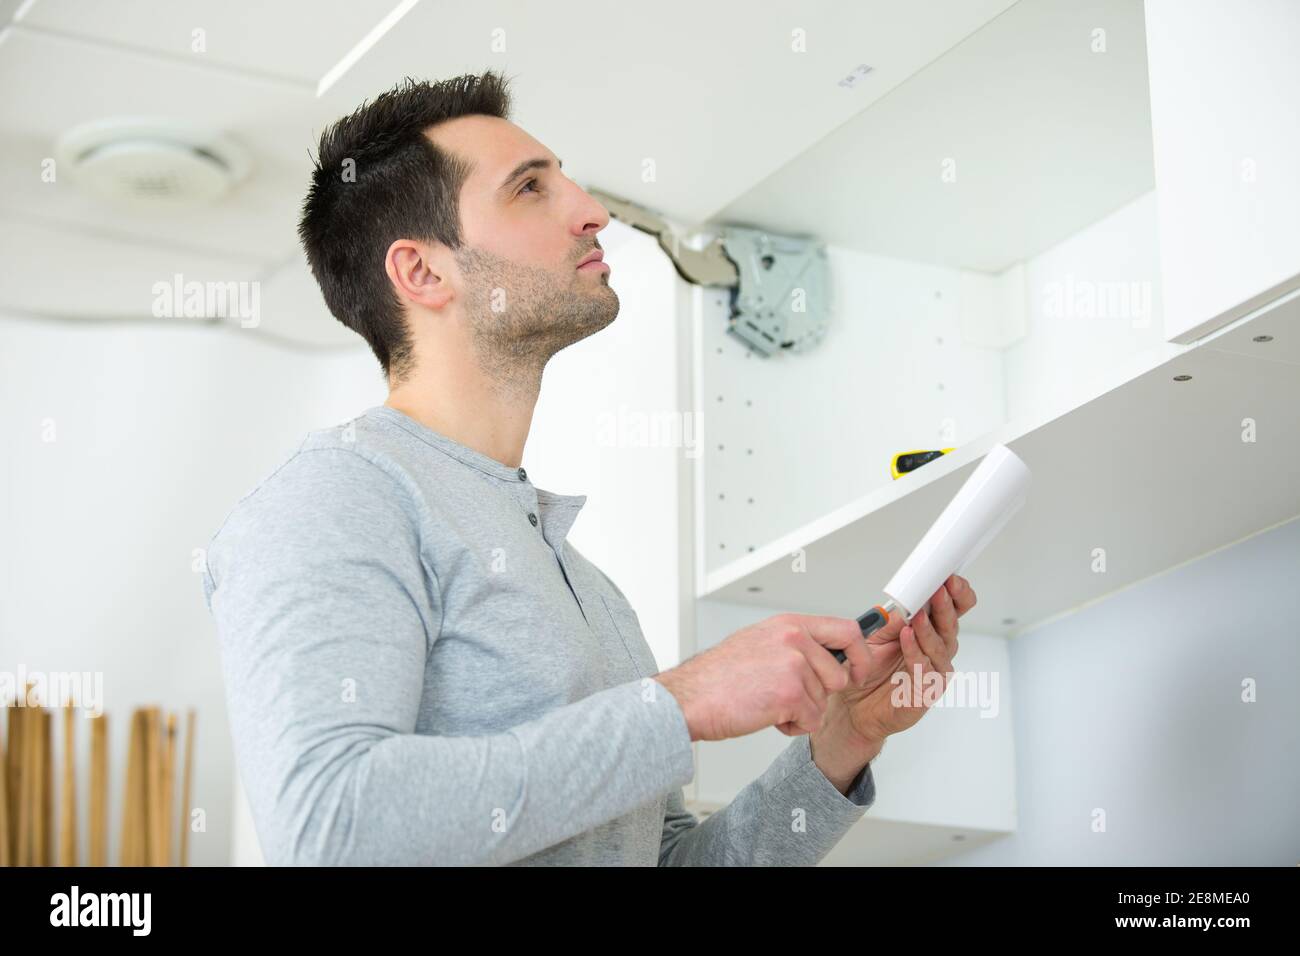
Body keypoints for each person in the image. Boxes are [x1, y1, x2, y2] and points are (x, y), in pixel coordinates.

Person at [201, 69, 976, 866]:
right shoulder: (334, 498)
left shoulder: (588, 588)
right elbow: (330, 826)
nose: (591, 211)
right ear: (423, 273)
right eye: (530, 188)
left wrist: (839, 745)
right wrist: (681, 703)